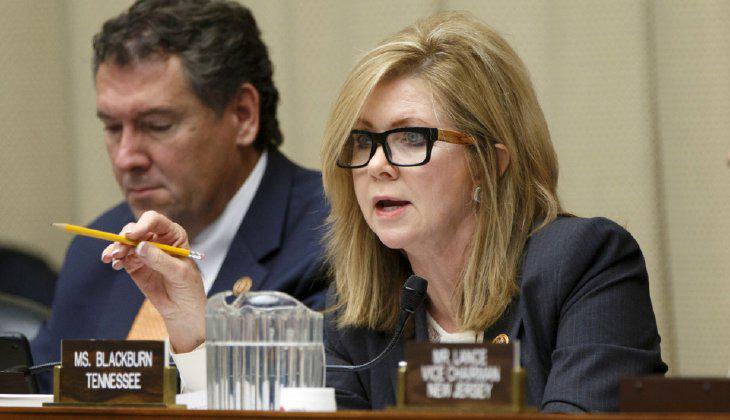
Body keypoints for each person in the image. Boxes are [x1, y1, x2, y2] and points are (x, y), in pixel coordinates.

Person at [101, 12, 667, 412]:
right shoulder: (361, 318)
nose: (376, 165)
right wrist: (193, 329)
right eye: (363, 141)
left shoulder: (584, 264)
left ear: (490, 163)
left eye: (410, 138)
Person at [31, 0, 328, 392]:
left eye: (157, 125)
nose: (126, 157)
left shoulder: (333, 239)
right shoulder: (95, 250)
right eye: (113, 127)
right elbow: (36, 396)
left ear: (242, 115)